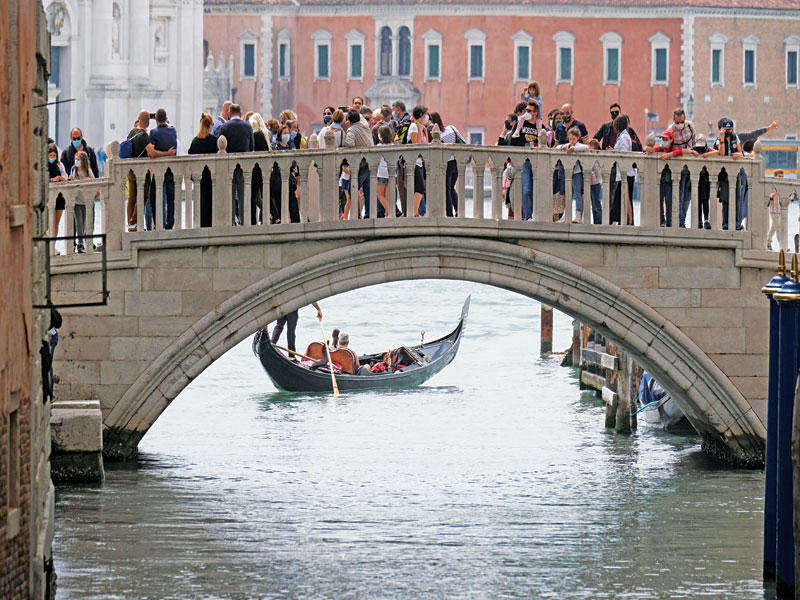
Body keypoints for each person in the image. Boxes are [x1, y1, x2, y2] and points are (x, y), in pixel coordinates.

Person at [219, 104, 255, 226]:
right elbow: (252, 147)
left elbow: (219, 148)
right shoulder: (247, 126)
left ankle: (232, 221)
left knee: (230, 195)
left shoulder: (224, 127)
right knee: (242, 195)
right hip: (244, 166)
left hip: (229, 166)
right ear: (240, 114)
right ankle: (244, 221)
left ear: (229, 113)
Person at [147, 108, 178, 230]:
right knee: (171, 198)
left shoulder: (154, 133)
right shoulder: (173, 130)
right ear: (166, 118)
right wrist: (169, 153)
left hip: (159, 170)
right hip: (171, 169)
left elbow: (152, 154)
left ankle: (158, 222)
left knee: (154, 197)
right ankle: (169, 224)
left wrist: (164, 153)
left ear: (155, 119)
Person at [430, 112, 464, 217]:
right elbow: (462, 140)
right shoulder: (452, 128)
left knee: (447, 189)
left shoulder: (437, 136)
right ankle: (458, 210)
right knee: (451, 188)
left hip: (447, 163)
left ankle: (450, 214)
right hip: (457, 161)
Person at [188, 112, 218, 228]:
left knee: (200, 204)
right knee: (210, 205)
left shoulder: (195, 141)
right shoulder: (214, 140)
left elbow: (190, 157)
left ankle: (200, 226)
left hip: (198, 178)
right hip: (210, 178)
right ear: (210, 125)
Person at [124, 111, 152, 231]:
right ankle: (133, 221)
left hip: (131, 169)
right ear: (148, 122)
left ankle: (131, 225)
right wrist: (167, 153)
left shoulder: (132, 132)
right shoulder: (144, 135)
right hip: (141, 171)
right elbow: (152, 152)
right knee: (143, 196)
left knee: (132, 197)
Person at [556, 126, 589, 223]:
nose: (572, 141)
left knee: (577, 193)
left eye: (574, 139)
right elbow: (557, 147)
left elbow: (585, 147)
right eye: (570, 139)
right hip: (568, 172)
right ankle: (566, 215)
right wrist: (563, 147)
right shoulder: (568, 144)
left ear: (577, 138)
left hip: (577, 172)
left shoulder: (578, 145)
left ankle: (578, 216)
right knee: (567, 194)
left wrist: (573, 148)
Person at [68, 149, 94, 252]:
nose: (76, 161)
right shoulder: (73, 169)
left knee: (84, 223)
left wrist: (86, 180)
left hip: (86, 201)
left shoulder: (88, 170)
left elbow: (93, 179)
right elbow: (72, 179)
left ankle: (86, 242)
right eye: (75, 159)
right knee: (78, 222)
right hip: (76, 201)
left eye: (78, 159)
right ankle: (79, 243)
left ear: (83, 160)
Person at [408, 105, 429, 217]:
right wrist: (421, 130)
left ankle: (415, 212)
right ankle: (415, 212)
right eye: (426, 114)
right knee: (419, 188)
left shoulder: (420, 127)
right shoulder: (413, 127)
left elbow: (426, 145)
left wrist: (424, 131)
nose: (427, 116)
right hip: (414, 162)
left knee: (419, 188)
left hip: (420, 162)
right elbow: (416, 144)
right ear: (421, 114)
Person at [48, 143, 68, 241]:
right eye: (50, 155)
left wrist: (62, 178)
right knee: (49, 223)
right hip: (49, 197)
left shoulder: (59, 165)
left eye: (54, 155)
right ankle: (49, 245)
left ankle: (53, 245)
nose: (52, 157)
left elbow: (66, 177)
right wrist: (52, 180)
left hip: (60, 197)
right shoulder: (44, 166)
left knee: (56, 223)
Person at [375, 125, 394, 217]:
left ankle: (390, 211)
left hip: (381, 173)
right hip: (391, 172)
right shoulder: (393, 145)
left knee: (379, 194)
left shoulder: (379, 146)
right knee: (387, 196)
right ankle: (388, 214)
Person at [588, 139, 604, 224]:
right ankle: (596, 222)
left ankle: (598, 222)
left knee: (596, 204)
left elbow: (597, 172)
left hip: (595, 184)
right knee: (594, 204)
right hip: (594, 183)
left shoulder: (595, 159)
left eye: (589, 147)